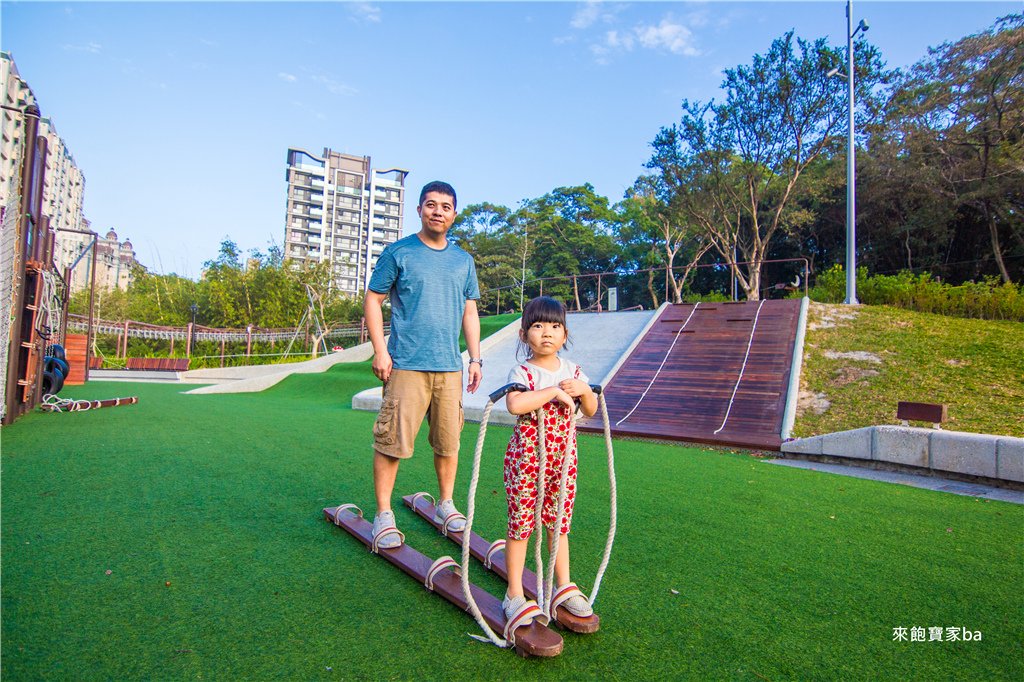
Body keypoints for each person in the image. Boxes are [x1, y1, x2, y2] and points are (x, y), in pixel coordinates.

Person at [364, 180, 482, 549]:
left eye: (445, 206)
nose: (438, 211)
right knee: (391, 441)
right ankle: (383, 514)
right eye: (430, 205)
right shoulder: (399, 252)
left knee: (448, 441)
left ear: (454, 214)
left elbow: (470, 309)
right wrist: (380, 350)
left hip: (449, 366)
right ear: (419, 209)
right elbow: (372, 299)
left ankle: (446, 504)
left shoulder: (463, 261)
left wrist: (475, 358)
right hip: (406, 365)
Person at [501, 296, 599, 631]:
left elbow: (590, 410)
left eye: (555, 326)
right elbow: (515, 404)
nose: (547, 333)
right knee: (522, 523)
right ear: (524, 333)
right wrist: (553, 393)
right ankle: (514, 593)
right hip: (527, 459)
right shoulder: (523, 371)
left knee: (559, 522)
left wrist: (584, 389)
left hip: (563, 459)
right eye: (538, 325)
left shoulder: (572, 370)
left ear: (564, 332)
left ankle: (563, 586)